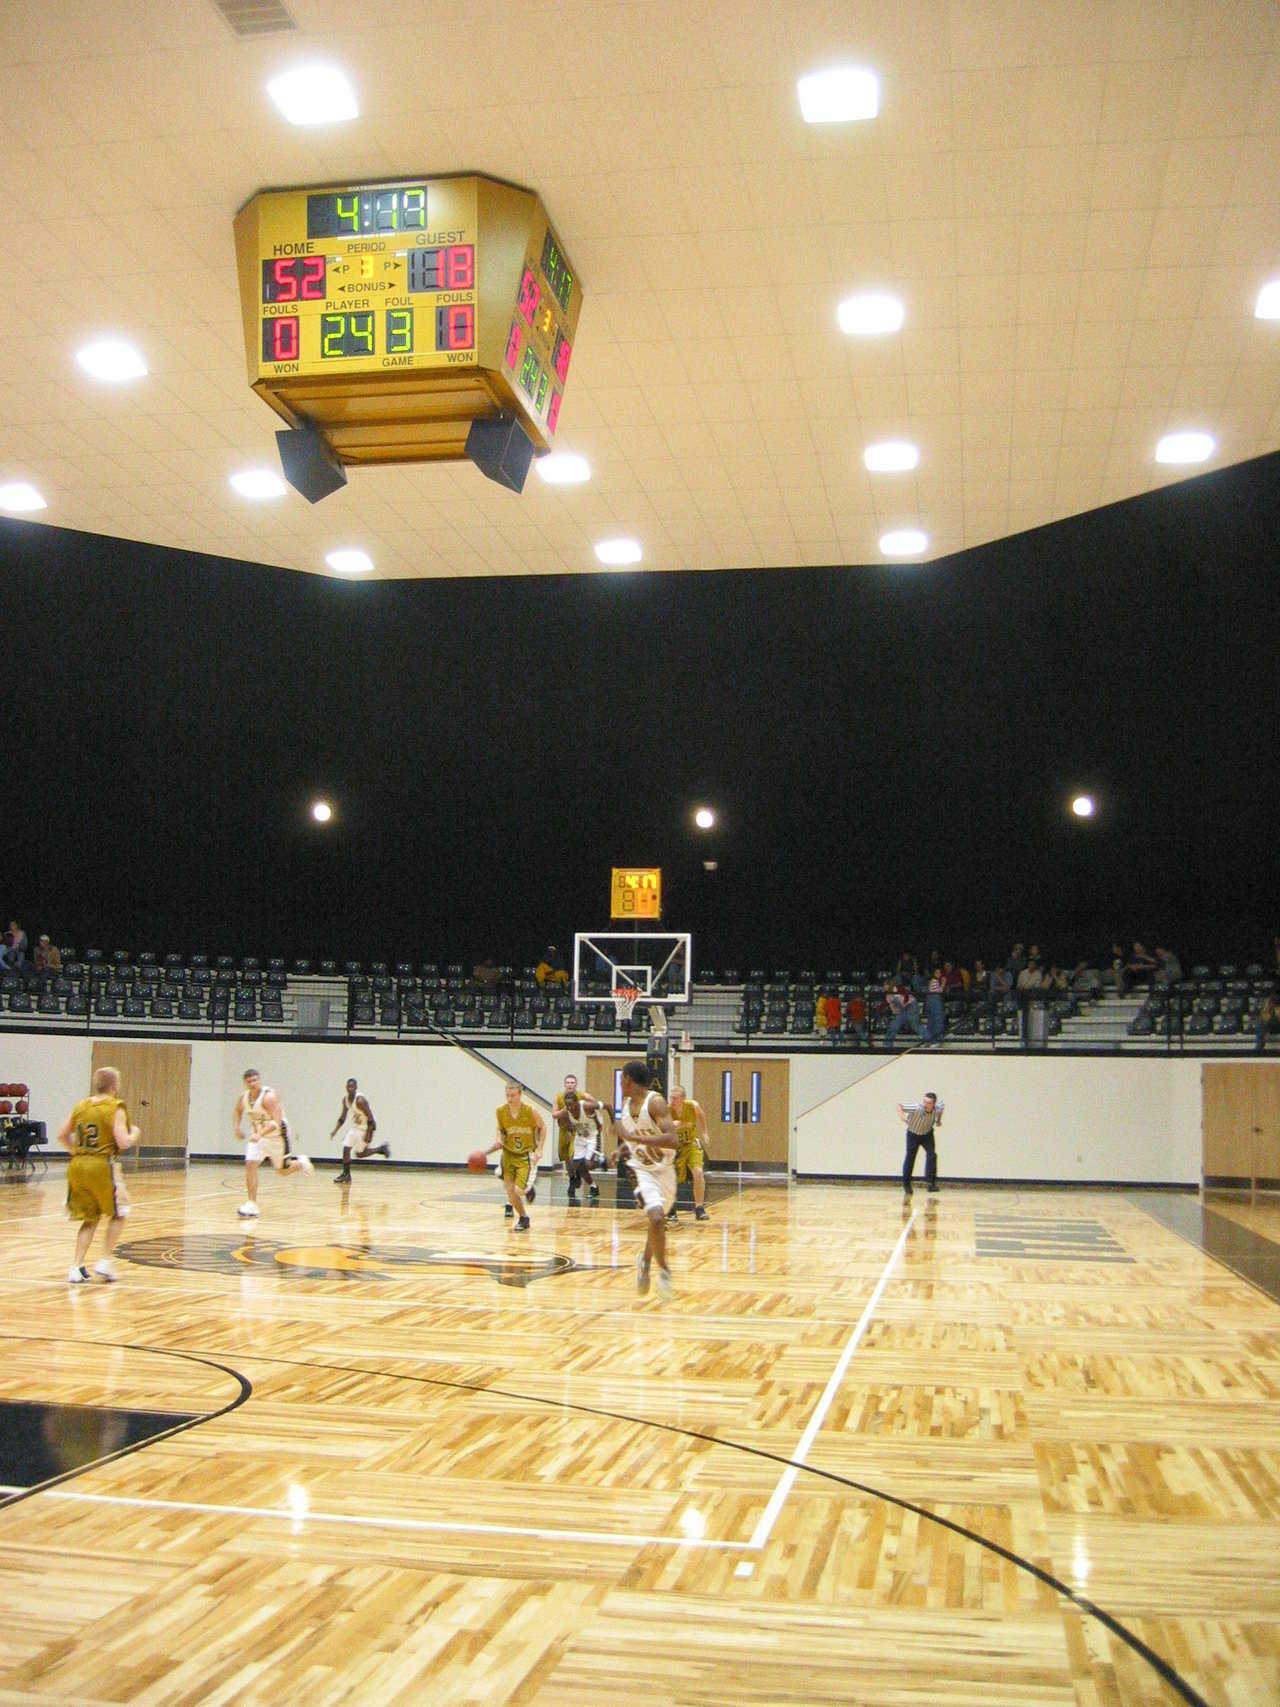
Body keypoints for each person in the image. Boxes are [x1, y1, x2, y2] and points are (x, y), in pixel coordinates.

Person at [56, 1064, 140, 1283]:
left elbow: (62, 1134)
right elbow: (122, 1141)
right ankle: (104, 1261)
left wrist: (76, 1152)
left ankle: (76, 1266)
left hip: (78, 1165)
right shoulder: (115, 1107)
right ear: (114, 1086)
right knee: (120, 1212)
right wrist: (134, 1135)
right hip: (102, 1165)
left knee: (90, 1217)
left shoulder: (81, 1106)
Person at [604, 1060, 680, 1299]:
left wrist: (634, 1137)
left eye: (621, 1080)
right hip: (641, 1170)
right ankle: (665, 1272)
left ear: (628, 1079)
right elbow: (632, 1142)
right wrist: (621, 1151)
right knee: (656, 1218)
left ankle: (645, 1261)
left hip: (665, 1170)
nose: (619, 1084)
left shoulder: (655, 1102)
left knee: (657, 1224)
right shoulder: (626, 1106)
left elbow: (673, 1140)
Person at [232, 1067, 312, 1218]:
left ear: (259, 1080)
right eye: (249, 1082)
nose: (253, 1083)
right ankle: (252, 1204)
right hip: (257, 1136)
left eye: (255, 1080)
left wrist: (260, 1134)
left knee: (282, 1171)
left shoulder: (269, 1097)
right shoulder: (243, 1098)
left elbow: (276, 1121)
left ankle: (300, 1163)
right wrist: (236, 1127)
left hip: (277, 1136)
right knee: (250, 1164)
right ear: (245, 1084)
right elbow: (237, 1111)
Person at [482, 1080, 545, 1231]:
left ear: (520, 1094)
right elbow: (501, 1131)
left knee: (518, 1191)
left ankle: (528, 1189)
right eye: (507, 1096)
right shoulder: (500, 1111)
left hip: (525, 1156)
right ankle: (523, 1218)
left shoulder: (530, 1111)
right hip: (508, 1155)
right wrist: (497, 1142)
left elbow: (543, 1127)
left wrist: (540, 1148)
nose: (510, 1099)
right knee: (510, 1192)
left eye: (513, 1095)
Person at [329, 1077, 389, 1183]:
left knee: (360, 1154)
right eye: (348, 1086)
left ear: (356, 1088)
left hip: (367, 1127)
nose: (350, 1088)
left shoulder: (360, 1101)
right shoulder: (345, 1100)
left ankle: (381, 1149)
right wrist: (335, 1130)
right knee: (346, 1147)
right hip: (356, 1126)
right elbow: (342, 1118)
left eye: (352, 1086)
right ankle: (346, 1175)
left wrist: (369, 1134)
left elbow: (371, 1119)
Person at [666, 1085, 710, 1223]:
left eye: (675, 1098)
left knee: (698, 1172)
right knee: (673, 1179)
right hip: (675, 1148)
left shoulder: (693, 1106)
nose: (672, 1101)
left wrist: (704, 1132)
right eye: (671, 1098)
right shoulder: (666, 1111)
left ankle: (699, 1208)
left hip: (691, 1144)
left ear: (683, 1099)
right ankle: (671, 1209)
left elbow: (702, 1116)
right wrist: (670, 1126)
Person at [555, 1082, 604, 1205]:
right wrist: (567, 1128)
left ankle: (603, 1161)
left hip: (593, 1135)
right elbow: (558, 1118)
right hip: (581, 1137)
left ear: (577, 1102)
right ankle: (593, 1187)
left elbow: (607, 1106)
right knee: (576, 1165)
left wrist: (613, 1123)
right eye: (567, 1105)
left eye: (571, 1105)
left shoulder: (586, 1105)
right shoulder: (566, 1111)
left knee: (586, 1164)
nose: (570, 1107)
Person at [897, 1091, 944, 1197]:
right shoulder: (916, 1108)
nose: (925, 1104)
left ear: (933, 1104)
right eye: (924, 1101)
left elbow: (941, 1108)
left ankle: (930, 1183)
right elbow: (899, 1106)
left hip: (927, 1134)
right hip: (913, 1134)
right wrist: (902, 1116)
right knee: (910, 1157)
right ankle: (906, 1183)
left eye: (928, 1103)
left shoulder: (937, 1108)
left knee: (932, 1155)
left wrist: (939, 1120)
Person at [883, 981, 925, 1049]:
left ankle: (929, 1040)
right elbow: (890, 1006)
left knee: (915, 1025)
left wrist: (904, 1003)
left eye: (886, 985)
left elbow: (906, 994)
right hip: (903, 1009)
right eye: (884, 985)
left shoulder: (897, 988)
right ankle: (887, 1044)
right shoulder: (888, 995)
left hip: (911, 1005)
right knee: (894, 1025)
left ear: (889, 985)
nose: (884, 987)